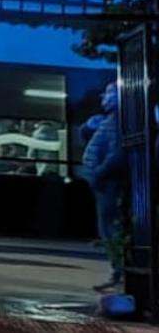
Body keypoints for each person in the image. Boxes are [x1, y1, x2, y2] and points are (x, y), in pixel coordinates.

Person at [81, 82, 126, 290]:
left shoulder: (119, 121)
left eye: (108, 94)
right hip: (103, 182)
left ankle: (121, 273)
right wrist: (88, 127)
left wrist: (98, 173)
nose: (104, 98)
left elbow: (117, 154)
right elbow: (91, 141)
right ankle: (118, 272)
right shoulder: (109, 120)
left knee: (110, 228)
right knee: (106, 229)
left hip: (108, 183)